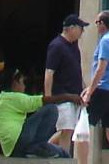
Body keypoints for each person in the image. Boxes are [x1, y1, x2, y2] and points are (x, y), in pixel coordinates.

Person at [75, 9, 109, 164]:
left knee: (82, 128)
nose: (96, 26)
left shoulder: (106, 41)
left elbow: (101, 67)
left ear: (103, 24)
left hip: (102, 89)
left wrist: (90, 91)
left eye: (97, 23)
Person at [0, 69, 68, 158]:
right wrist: (69, 97)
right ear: (15, 83)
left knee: (63, 153)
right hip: (20, 142)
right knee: (51, 108)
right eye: (22, 82)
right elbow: (38, 101)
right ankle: (37, 146)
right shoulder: (13, 97)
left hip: (12, 151)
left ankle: (38, 148)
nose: (24, 87)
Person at [44, 14, 87, 148]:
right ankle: (64, 158)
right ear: (72, 28)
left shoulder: (74, 47)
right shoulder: (56, 46)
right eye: (81, 28)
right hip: (62, 95)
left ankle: (46, 148)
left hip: (75, 96)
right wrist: (48, 97)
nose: (82, 32)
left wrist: (85, 91)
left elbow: (77, 70)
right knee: (66, 130)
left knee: (69, 129)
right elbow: (49, 72)